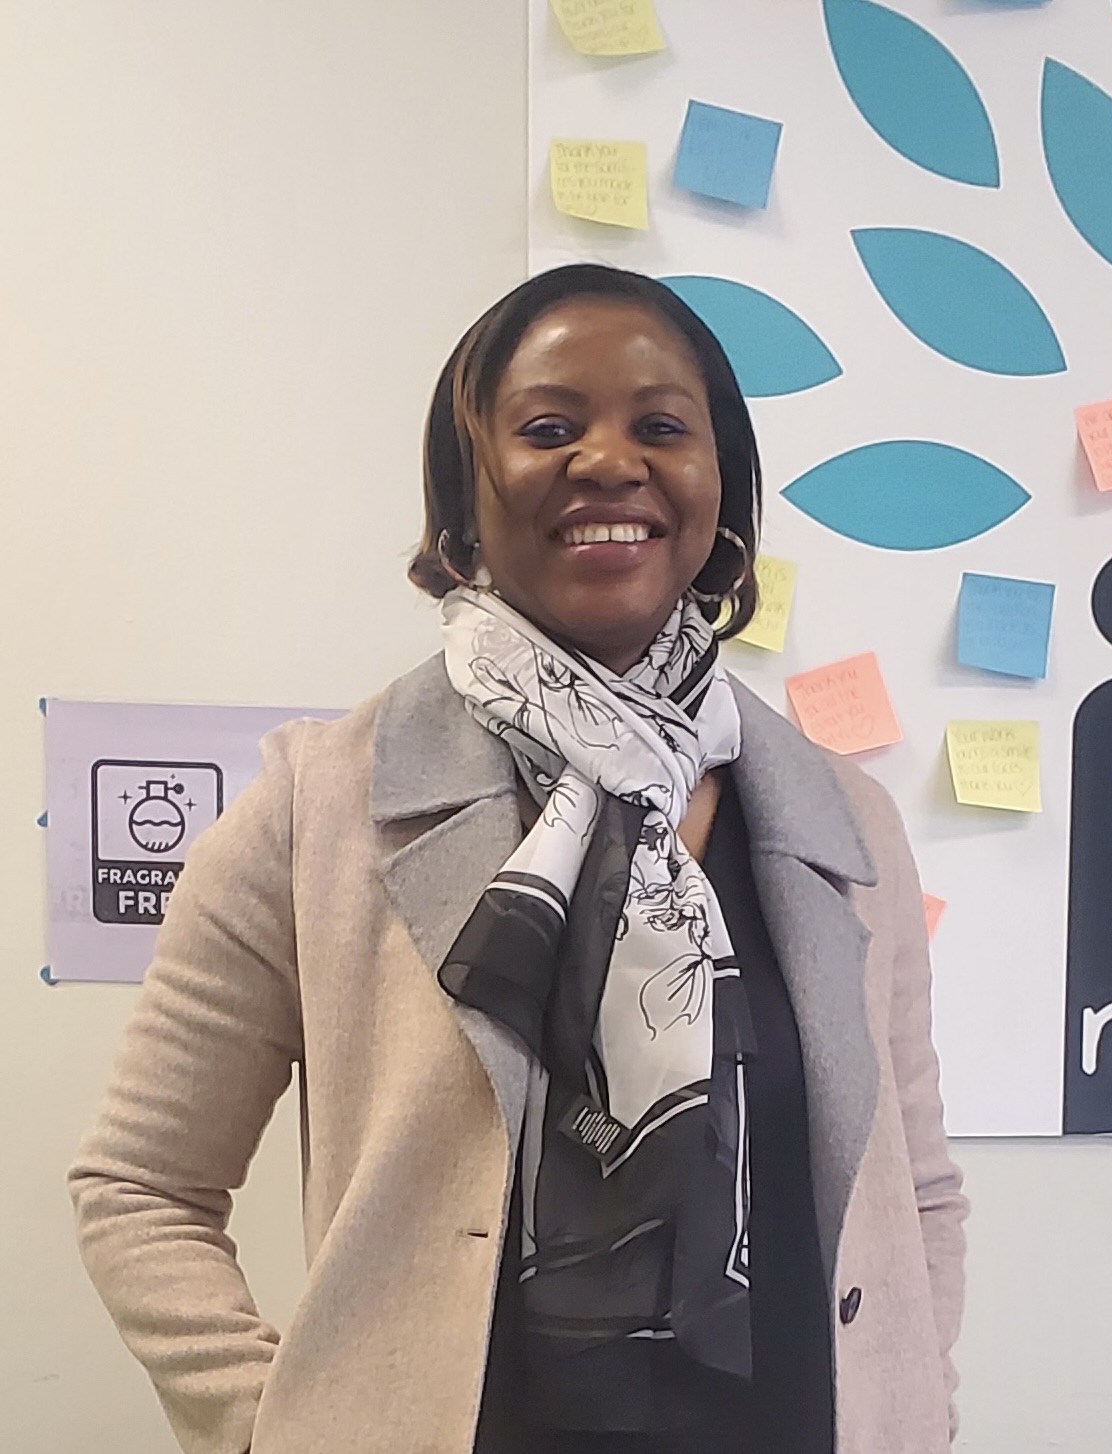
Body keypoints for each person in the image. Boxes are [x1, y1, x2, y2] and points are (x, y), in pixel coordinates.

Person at [69, 263, 968, 1454]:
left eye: (661, 425)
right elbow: (140, 1185)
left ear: (722, 487)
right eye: (549, 426)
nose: (609, 460)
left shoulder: (840, 818)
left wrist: (916, 1394)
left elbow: (916, 1190)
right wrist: (277, 1423)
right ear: (463, 490)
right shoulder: (320, 806)